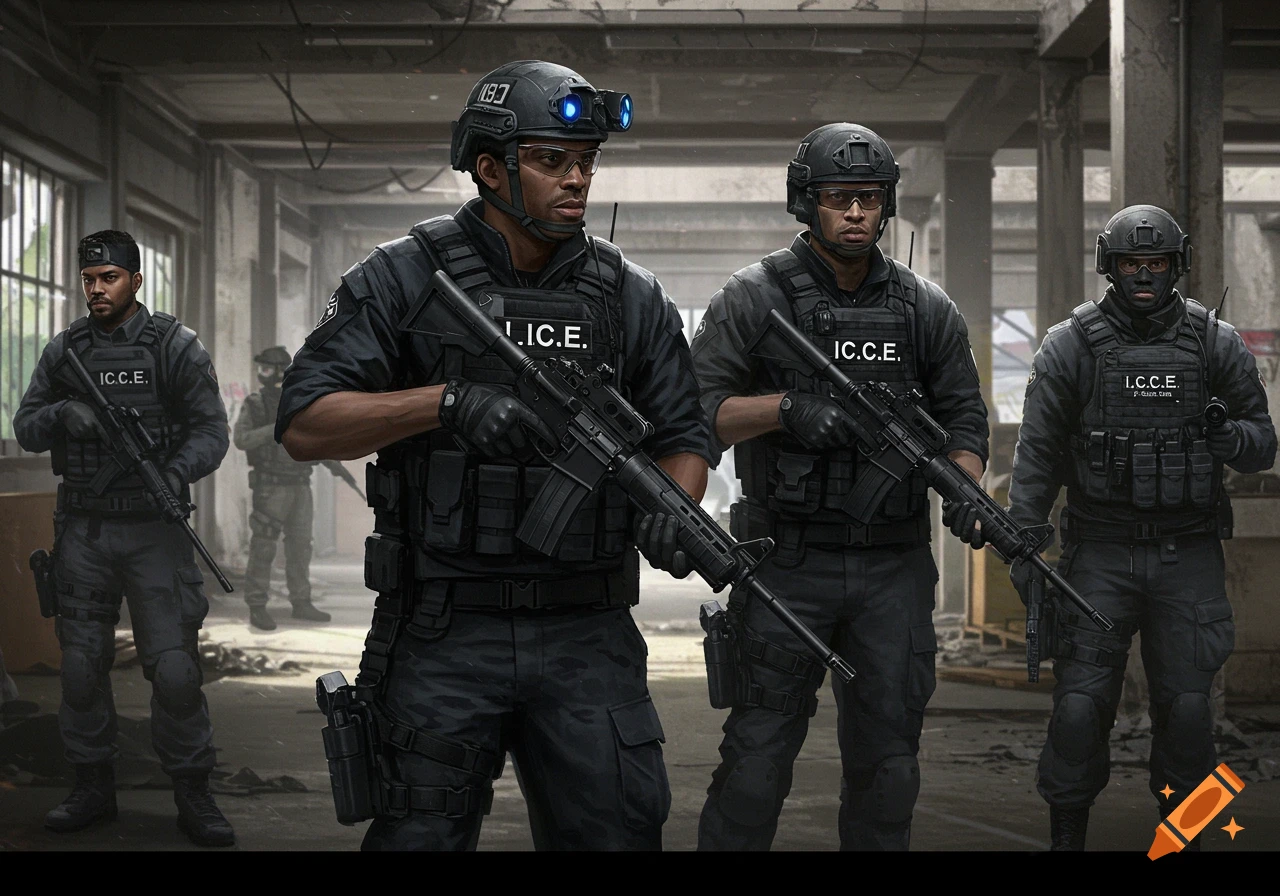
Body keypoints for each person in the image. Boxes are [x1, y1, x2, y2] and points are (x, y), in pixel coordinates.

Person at [276, 61, 713, 850]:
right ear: (489, 168)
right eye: (551, 160)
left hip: (588, 630)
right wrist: (444, 403)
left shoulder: (630, 295)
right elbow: (306, 422)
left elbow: (683, 435)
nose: (576, 179)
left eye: (586, 161)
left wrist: (676, 511)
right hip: (444, 628)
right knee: (420, 834)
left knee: (617, 834)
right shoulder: (404, 275)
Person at [688, 124, 989, 850]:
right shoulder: (753, 298)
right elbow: (695, 413)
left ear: (886, 205)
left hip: (893, 567)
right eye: (838, 197)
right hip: (785, 563)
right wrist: (784, 409)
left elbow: (965, 422)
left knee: (890, 772)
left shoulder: (925, 308)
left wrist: (966, 487)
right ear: (807, 202)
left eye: (869, 198)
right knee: (755, 768)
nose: (856, 212)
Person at [948, 205, 1276, 850]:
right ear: (1110, 266)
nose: (1145, 276)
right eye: (1132, 264)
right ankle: (1067, 837)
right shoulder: (1070, 345)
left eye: (1156, 263)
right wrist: (1024, 540)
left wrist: (1229, 437)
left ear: (1177, 266)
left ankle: (1184, 841)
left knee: (1191, 717)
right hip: (1098, 556)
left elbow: (1263, 444)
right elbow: (1038, 455)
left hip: (1189, 555)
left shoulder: (1216, 343)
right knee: (1078, 711)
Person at [12, 230, 235, 846]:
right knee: (81, 668)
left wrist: (174, 470)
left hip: (154, 532)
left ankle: (193, 791)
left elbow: (211, 431)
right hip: (85, 529)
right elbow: (25, 425)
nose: (97, 289)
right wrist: (62, 414)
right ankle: (92, 787)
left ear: (136, 280)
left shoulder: (174, 346)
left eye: (109, 278)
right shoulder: (66, 351)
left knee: (175, 671)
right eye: (89, 279)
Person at [233, 344, 345, 631]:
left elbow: (310, 438)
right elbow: (242, 439)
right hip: (271, 487)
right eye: (261, 368)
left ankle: (301, 602)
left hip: (299, 484)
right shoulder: (255, 404)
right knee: (263, 547)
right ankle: (257, 605)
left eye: (267, 369)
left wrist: (329, 459)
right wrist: (276, 428)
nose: (262, 374)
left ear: (281, 371)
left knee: (300, 547)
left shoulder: (298, 402)